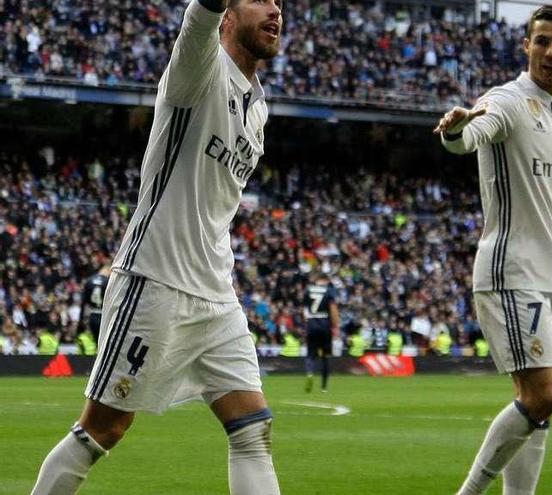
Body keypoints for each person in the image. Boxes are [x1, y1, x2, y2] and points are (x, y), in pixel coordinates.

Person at [30, 1, 283, 493]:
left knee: (253, 429)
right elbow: (197, 18)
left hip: (216, 293)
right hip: (155, 282)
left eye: (279, 2)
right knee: (102, 429)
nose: (275, 10)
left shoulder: (259, 105)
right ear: (228, 16)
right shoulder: (199, 68)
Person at [434, 6, 552, 494]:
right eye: (542, 41)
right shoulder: (508, 101)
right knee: (543, 398)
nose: (551, 52)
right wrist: (457, 129)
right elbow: (473, 135)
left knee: (538, 410)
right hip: (511, 272)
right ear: (527, 46)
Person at [303, 272, 340, 393]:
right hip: (325, 324)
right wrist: (336, 326)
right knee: (325, 356)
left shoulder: (308, 290)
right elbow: (333, 308)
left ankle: (309, 373)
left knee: (310, 354)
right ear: (325, 280)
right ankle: (324, 387)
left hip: (311, 323)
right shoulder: (329, 290)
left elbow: (304, 310)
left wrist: (307, 323)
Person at [79, 265, 110, 342]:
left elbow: (83, 302)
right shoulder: (108, 281)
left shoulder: (89, 280)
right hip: (104, 315)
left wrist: (81, 319)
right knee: (103, 342)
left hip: (92, 314)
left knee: (96, 341)